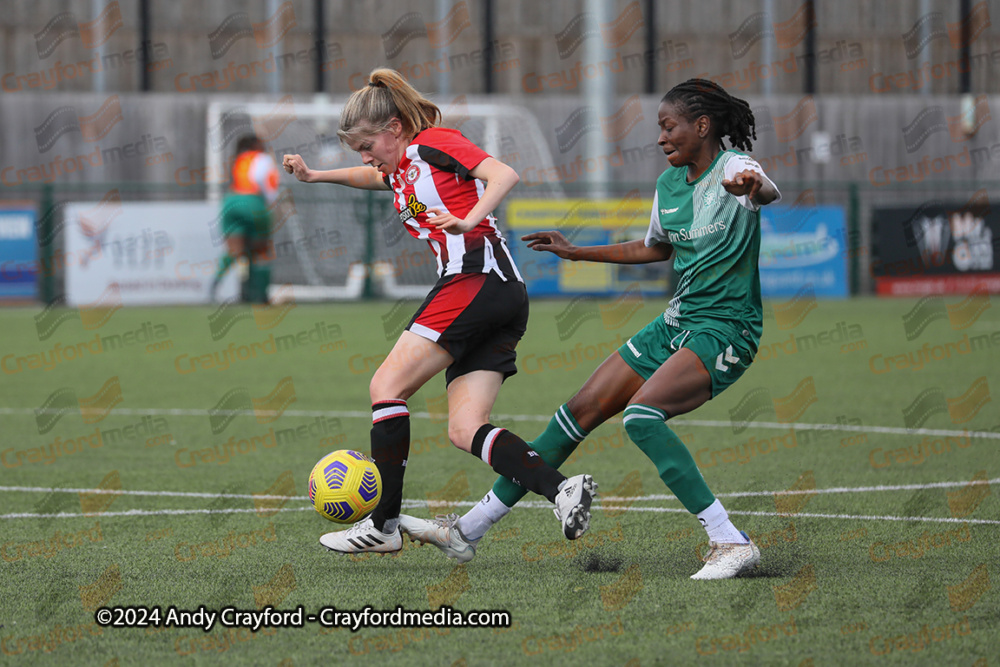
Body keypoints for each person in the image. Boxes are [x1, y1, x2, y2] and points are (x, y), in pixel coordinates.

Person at [399, 78, 781, 580]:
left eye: (670, 127)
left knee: (642, 417)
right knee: (577, 412)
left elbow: (765, 188)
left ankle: (729, 540)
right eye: (660, 129)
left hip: (726, 329)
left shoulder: (734, 169)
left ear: (703, 125)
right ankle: (466, 531)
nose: (661, 138)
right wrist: (576, 251)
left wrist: (755, 188)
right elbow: (655, 249)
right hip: (676, 322)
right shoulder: (669, 186)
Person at [283, 68, 597, 555]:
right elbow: (374, 176)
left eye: (367, 145)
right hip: (500, 293)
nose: (365, 158)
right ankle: (562, 490)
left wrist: (470, 217)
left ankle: (383, 526)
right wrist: (315, 175)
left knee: (386, 388)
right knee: (463, 428)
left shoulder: (433, 142)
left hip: (474, 279)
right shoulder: (402, 165)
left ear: (393, 129)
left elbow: (502, 174)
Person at [210, 135, 280, 304]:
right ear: (257, 145)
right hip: (253, 202)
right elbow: (267, 184)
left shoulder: (239, 159)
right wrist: (271, 206)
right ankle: (261, 296)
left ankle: (214, 287)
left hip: (231, 201)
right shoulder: (263, 159)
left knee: (235, 251)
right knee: (261, 251)